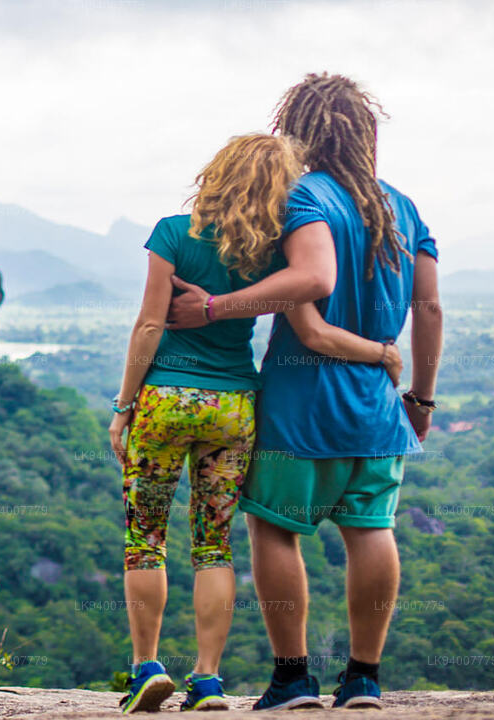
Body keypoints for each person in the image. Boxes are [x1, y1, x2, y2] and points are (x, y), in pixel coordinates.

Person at [166, 73, 443, 710]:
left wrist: (213, 308)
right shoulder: (402, 207)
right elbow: (429, 309)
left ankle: (293, 679)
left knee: (273, 529)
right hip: (378, 403)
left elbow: (306, 303)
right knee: (371, 529)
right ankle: (364, 678)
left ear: (298, 130)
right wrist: (420, 399)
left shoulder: (298, 197)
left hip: (300, 402)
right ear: (364, 133)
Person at [108, 133, 403, 714]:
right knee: (213, 545)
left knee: (146, 538)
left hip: (165, 399)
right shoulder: (271, 253)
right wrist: (385, 354)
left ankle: (146, 668)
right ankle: (208, 681)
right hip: (235, 407)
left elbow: (148, 325)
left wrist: (124, 405)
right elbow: (313, 328)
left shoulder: (173, 232)